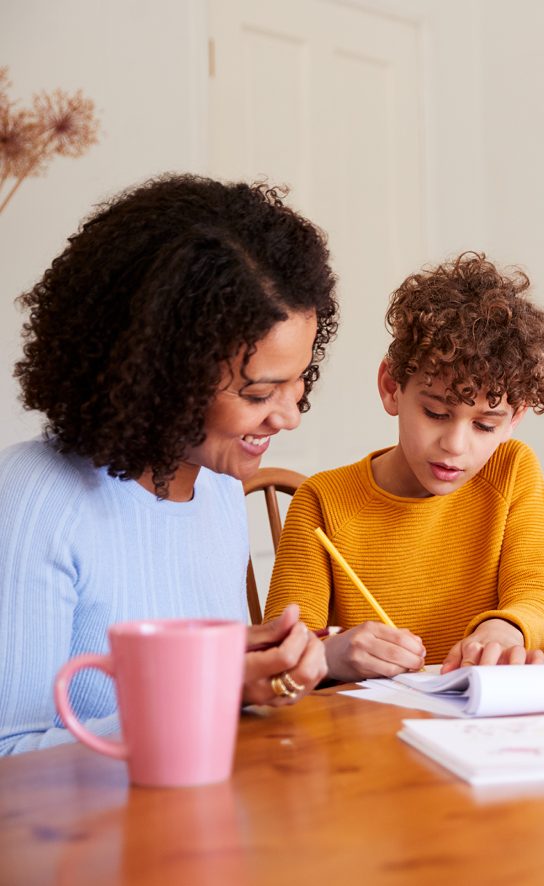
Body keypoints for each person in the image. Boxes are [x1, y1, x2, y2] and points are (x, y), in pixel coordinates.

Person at [0, 175, 339, 755]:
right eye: (260, 394)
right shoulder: (36, 499)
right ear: (164, 379)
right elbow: (10, 754)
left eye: (298, 381)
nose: (289, 416)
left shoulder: (216, 489)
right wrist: (206, 691)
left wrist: (260, 666)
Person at [264, 251, 544, 680]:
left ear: (514, 418)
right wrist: (333, 653)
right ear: (392, 388)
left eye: (485, 425)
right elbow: (280, 648)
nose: (455, 445)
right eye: (436, 413)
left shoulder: (512, 470)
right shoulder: (323, 502)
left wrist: (506, 628)